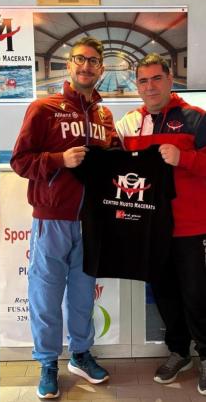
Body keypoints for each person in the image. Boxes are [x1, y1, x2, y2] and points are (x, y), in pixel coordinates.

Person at [10, 36, 115, 398]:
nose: (86, 67)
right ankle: (47, 363)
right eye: (80, 60)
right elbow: (20, 162)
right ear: (69, 65)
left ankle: (81, 355)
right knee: (46, 294)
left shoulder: (104, 114)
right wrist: (59, 160)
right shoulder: (44, 109)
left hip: (92, 221)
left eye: (93, 61)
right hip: (52, 218)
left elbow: (113, 161)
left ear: (101, 69)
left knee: (84, 295)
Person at [115, 52, 206, 392]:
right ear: (136, 86)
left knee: (197, 294)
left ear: (170, 80)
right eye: (143, 80)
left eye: (156, 78)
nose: (150, 86)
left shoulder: (196, 119)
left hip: (192, 226)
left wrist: (185, 158)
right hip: (152, 230)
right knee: (165, 295)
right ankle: (179, 351)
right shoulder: (129, 124)